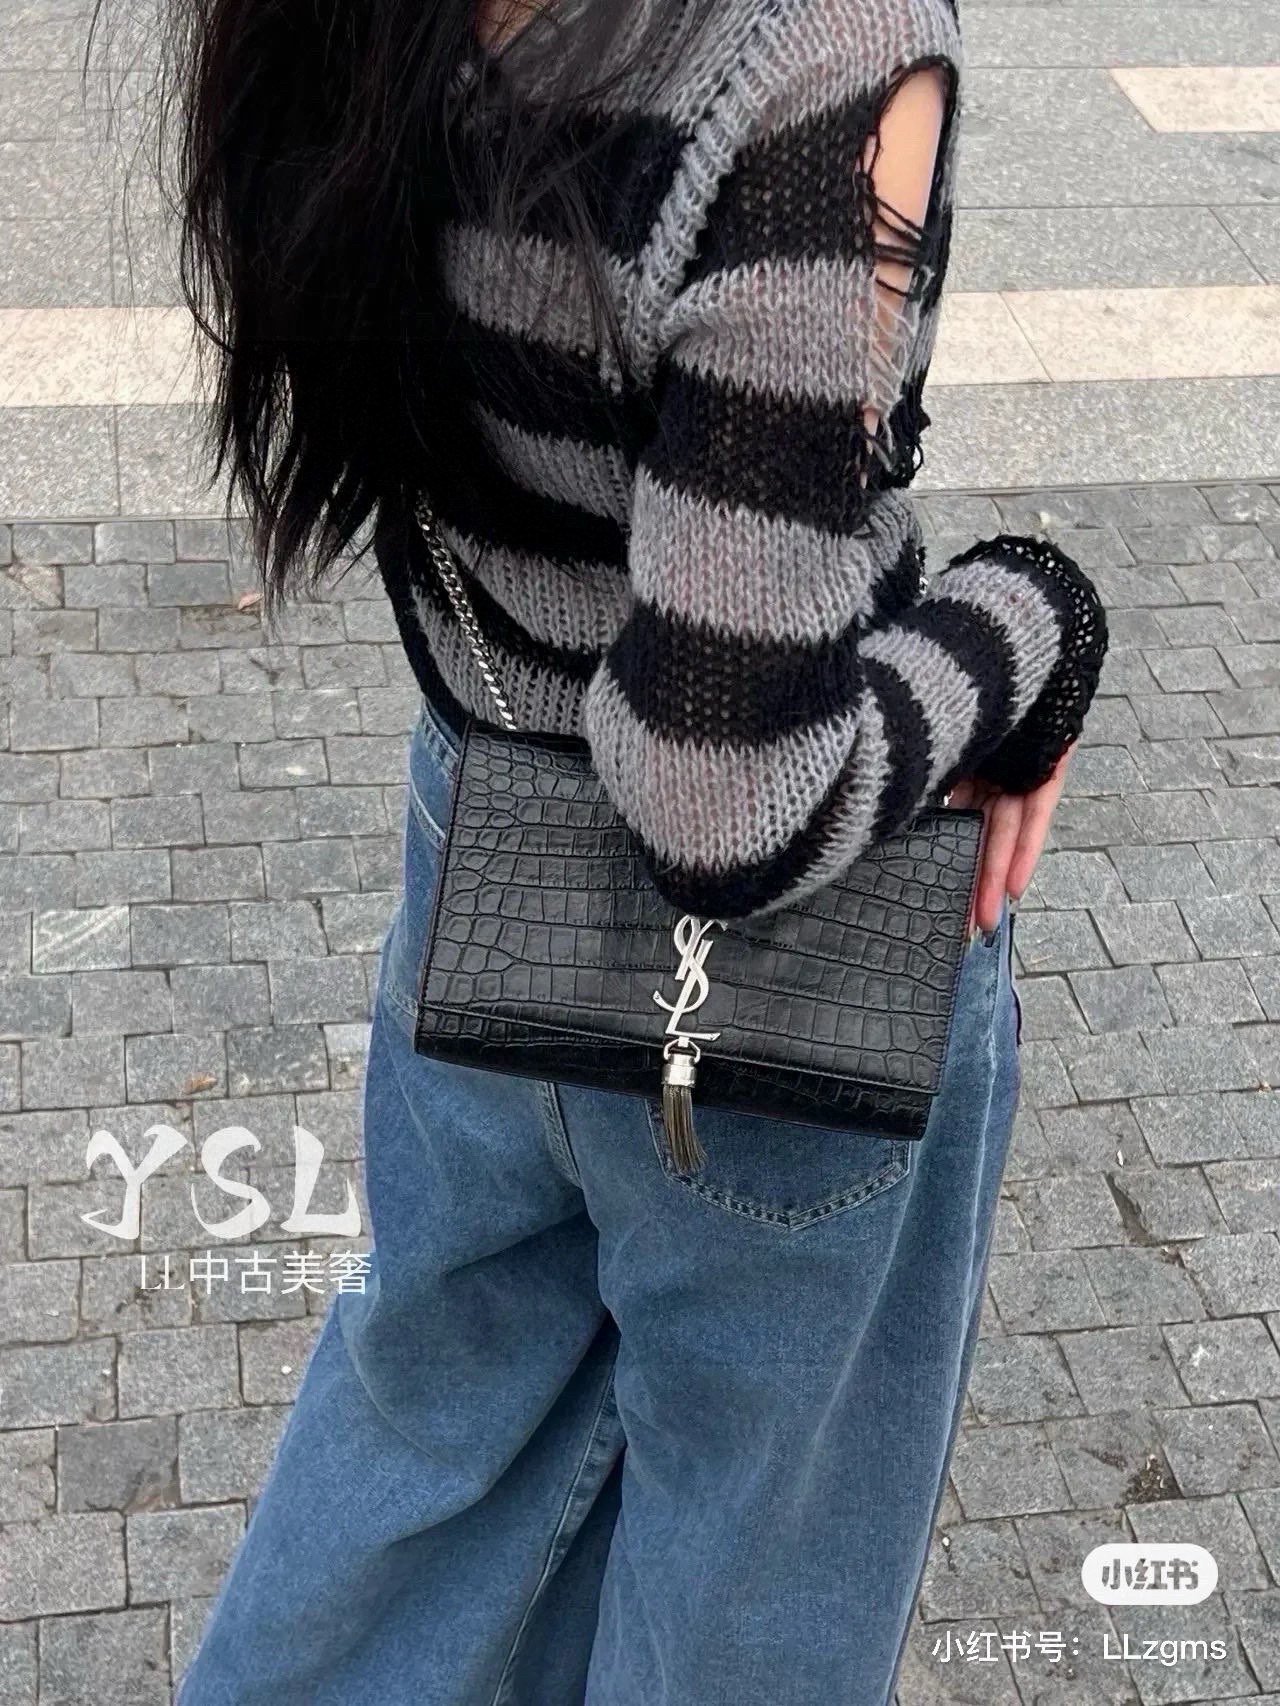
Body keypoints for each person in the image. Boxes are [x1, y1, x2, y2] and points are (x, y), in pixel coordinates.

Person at [165, 0, 1108, 1697]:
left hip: (482, 864)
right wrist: (1033, 628)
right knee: (748, 1593)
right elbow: (725, 799)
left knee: (413, 1478)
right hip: (774, 1004)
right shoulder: (815, 51)